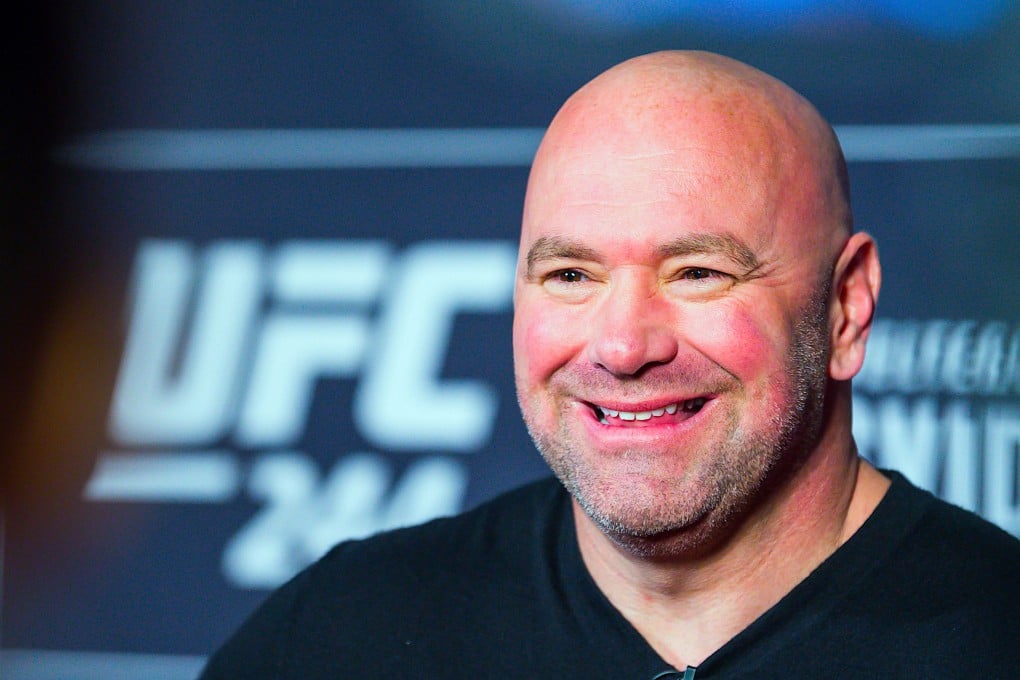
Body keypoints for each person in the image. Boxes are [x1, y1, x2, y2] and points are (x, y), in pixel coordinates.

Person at [200, 51, 1020, 678]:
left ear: (846, 307)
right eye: (571, 276)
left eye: (698, 272)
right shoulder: (342, 637)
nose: (624, 347)